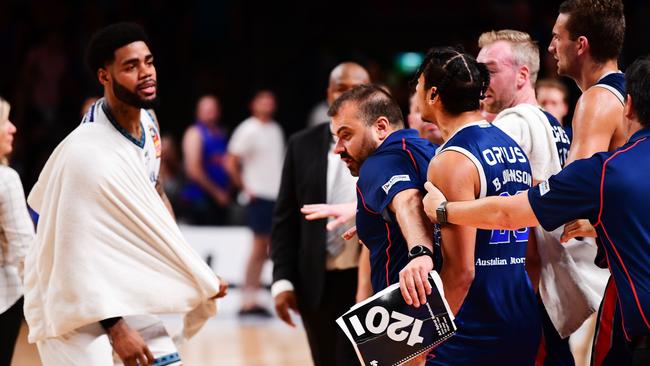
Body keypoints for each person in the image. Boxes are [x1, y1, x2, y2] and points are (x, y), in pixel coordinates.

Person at [422, 56, 650, 366]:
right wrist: (602, 223)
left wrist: (445, 210)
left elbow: (508, 215)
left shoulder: (607, 171)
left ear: (629, 105)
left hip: (479, 321)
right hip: (520, 313)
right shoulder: (520, 139)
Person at [25, 23, 226, 366]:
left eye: (148, 62)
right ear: (105, 76)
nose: (146, 73)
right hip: (71, 297)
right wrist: (116, 328)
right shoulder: (87, 153)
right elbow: (73, 253)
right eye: (131, 66)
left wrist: (188, 264)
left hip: (115, 284)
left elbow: (155, 193)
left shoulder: (149, 122)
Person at [477, 29, 608, 366]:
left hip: (528, 287)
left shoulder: (512, 124)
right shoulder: (552, 123)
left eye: (489, 70)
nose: (480, 80)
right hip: (558, 281)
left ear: (523, 75)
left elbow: (508, 219)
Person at [413, 46, 540, 365]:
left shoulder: (451, 160)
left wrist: (424, 343)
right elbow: (530, 253)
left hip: (472, 325)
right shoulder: (513, 148)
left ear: (432, 95)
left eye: (416, 87)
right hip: (520, 313)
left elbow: (462, 271)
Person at [329, 83, 438, 366]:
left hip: (406, 321)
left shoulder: (377, 164)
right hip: (440, 315)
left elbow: (408, 201)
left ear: (380, 127)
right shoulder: (426, 149)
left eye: (346, 135)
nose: (338, 149)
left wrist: (419, 253)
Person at [270, 62, 369, 366]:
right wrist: (282, 281)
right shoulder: (301, 144)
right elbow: (286, 217)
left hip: (368, 278)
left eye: (357, 89)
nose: (349, 95)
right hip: (315, 280)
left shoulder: (383, 143)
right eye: (341, 88)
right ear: (328, 93)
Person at [549, 1, 627, 363]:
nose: (551, 47)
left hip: (631, 272)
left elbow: (570, 195)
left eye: (556, 37)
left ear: (580, 44)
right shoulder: (631, 94)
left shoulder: (597, 99)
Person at [226, 89, 284, 316]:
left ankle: (255, 297)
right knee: (258, 248)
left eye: (271, 100)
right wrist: (244, 186)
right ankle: (246, 300)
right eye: (263, 100)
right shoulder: (248, 128)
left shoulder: (275, 129)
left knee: (266, 249)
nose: (268, 104)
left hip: (273, 196)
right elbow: (230, 160)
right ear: (254, 104)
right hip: (258, 195)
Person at [0, 96, 35, 366]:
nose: (13, 128)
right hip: (5, 297)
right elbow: (25, 248)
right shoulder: (6, 179)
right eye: (5, 121)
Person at [180, 95, 231, 225]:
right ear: (198, 112)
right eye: (206, 109)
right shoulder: (194, 133)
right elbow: (193, 170)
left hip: (219, 199)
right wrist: (217, 193)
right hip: (200, 200)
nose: (210, 113)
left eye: (212, 109)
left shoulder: (220, 133)